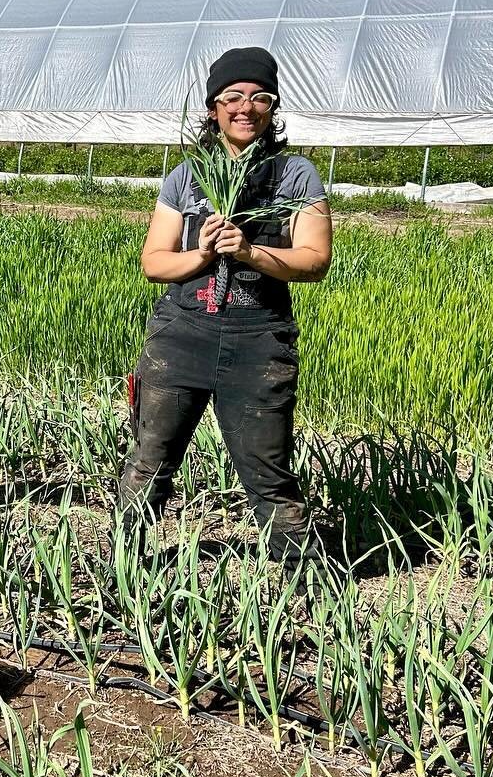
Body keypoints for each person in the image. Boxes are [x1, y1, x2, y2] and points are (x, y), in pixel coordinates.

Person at [118, 46, 332, 563]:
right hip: (181, 336)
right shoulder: (187, 178)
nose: (246, 107)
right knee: (149, 463)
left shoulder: (295, 175)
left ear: (272, 109)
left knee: (268, 473)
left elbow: (315, 260)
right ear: (213, 107)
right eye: (232, 96)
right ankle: (122, 571)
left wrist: (252, 252)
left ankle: (302, 589)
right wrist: (203, 253)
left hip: (258, 341)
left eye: (260, 97)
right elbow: (154, 262)